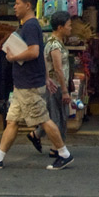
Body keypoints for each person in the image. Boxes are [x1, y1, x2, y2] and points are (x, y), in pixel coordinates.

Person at [0, 0, 74, 170]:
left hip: (29, 85)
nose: (14, 6)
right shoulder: (29, 26)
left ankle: (64, 154)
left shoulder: (30, 26)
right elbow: (40, 55)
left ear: (28, 6)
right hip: (23, 84)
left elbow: (34, 52)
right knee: (12, 121)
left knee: (44, 119)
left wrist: (13, 57)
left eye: (17, 3)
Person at [29, 11, 72, 158]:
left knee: (58, 115)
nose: (70, 28)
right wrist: (65, 91)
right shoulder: (54, 46)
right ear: (60, 27)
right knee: (58, 116)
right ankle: (57, 148)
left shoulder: (55, 43)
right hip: (56, 86)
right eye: (68, 25)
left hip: (55, 85)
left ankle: (37, 135)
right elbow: (58, 69)